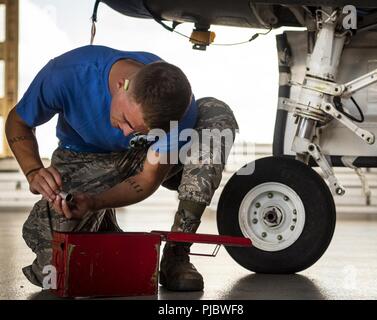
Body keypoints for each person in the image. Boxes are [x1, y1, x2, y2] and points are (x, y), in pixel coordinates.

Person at [5, 45, 238, 292]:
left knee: (215, 117)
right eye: (127, 120)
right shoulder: (67, 73)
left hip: (146, 159)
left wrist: (96, 202)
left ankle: (177, 253)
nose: (126, 133)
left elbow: (147, 179)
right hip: (83, 158)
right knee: (56, 265)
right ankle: (103, 229)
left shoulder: (177, 113)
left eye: (137, 130)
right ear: (121, 85)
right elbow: (18, 122)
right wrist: (33, 170)